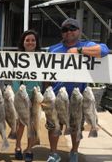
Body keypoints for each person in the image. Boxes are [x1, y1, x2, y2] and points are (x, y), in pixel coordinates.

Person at [46, 18, 110, 162]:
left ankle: (74, 152)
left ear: (79, 31)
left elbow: (104, 50)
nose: (69, 32)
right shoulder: (53, 49)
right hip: (56, 96)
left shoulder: (87, 45)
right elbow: (45, 72)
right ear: (62, 33)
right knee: (53, 126)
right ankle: (53, 153)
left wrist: (79, 50)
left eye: (72, 28)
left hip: (78, 97)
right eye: (65, 30)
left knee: (76, 127)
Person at [12, 30, 42, 162]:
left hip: (35, 96)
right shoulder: (16, 57)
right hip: (21, 96)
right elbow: (13, 77)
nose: (30, 42)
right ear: (23, 42)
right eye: (27, 40)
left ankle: (29, 149)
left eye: (33, 40)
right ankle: (17, 146)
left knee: (32, 124)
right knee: (21, 124)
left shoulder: (42, 57)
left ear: (36, 43)